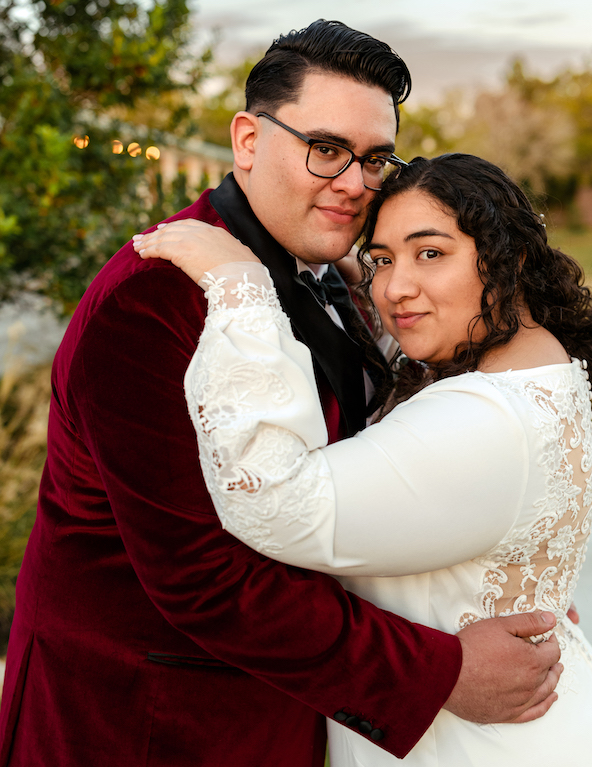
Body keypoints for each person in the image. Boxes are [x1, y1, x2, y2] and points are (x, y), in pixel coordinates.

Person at [0, 22, 561, 767]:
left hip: (280, 711)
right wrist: (443, 670)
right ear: (247, 141)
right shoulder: (155, 301)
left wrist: (485, 591)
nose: (356, 182)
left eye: (374, 158)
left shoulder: (339, 274)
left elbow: (370, 474)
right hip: (144, 723)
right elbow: (202, 575)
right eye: (325, 149)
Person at [133, 152, 592, 767]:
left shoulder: (484, 419)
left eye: (431, 253)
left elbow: (278, 505)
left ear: (512, 261)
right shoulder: (521, 365)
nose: (396, 288)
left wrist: (243, 288)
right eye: (383, 260)